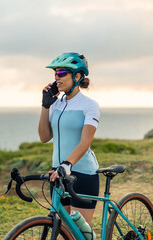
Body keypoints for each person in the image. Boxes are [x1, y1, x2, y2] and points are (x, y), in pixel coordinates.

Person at [38, 52, 100, 225]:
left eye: (61, 73)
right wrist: (45, 106)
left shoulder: (90, 105)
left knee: (79, 234)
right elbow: (44, 137)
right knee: (62, 230)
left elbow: (85, 142)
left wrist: (67, 164)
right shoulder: (55, 104)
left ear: (78, 76)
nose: (57, 77)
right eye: (55, 73)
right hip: (57, 173)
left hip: (82, 174)